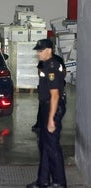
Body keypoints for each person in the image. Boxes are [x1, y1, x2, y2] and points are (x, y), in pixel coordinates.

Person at [27, 39, 67, 188]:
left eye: (40, 51)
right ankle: (42, 181)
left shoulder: (52, 66)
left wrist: (51, 119)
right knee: (44, 145)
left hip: (53, 108)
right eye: (37, 50)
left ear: (49, 50)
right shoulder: (45, 65)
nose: (38, 53)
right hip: (46, 107)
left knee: (52, 147)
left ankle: (59, 182)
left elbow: (55, 95)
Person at [32, 54, 66, 132]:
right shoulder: (45, 59)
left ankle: (46, 123)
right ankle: (41, 124)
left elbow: (64, 71)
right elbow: (40, 71)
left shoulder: (57, 59)